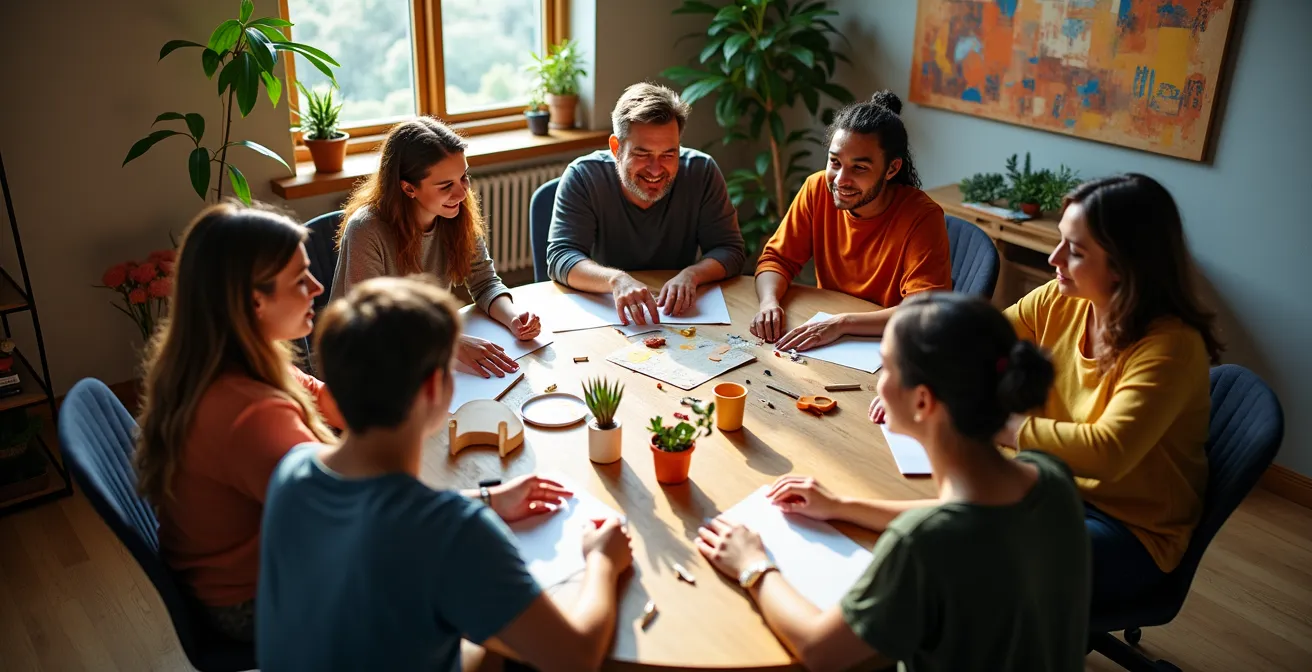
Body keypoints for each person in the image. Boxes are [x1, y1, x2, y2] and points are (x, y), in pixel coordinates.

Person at [257, 276, 634, 672]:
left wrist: (488, 499)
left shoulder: (293, 470)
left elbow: (375, 516)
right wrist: (602, 560)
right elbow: (574, 659)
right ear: (435, 388)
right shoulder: (454, 532)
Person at [699, 292, 1090, 672]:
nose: (879, 380)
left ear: (922, 402)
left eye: (886, 367)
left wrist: (753, 565)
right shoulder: (1050, 478)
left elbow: (821, 651)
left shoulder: (919, 544)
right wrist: (843, 506)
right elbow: (969, 516)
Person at [134, 203, 345, 642]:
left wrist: (399, 399)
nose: (318, 287)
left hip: (244, 566)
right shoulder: (249, 412)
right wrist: (483, 500)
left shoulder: (223, 356)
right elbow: (345, 513)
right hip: (253, 602)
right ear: (254, 301)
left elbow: (325, 399)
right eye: (299, 280)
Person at [333, 116, 539, 379]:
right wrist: (450, 343)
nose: (463, 193)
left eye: (464, 177)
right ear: (408, 188)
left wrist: (513, 317)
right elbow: (371, 325)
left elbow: (485, 283)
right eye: (446, 186)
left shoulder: (455, 212)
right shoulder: (366, 230)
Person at [751, 91, 951, 351]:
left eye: (859, 168)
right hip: (830, 340)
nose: (840, 179)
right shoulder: (816, 189)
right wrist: (769, 303)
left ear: (891, 169)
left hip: (888, 346)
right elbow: (776, 260)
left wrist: (842, 324)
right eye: (835, 162)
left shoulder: (922, 216)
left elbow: (923, 310)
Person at [546, 82, 746, 326]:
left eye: (669, 154)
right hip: (607, 318)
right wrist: (615, 280)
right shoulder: (583, 176)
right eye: (642, 154)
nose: (655, 169)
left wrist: (692, 275)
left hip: (678, 319)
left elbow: (731, 250)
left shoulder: (701, 171)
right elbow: (561, 257)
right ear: (616, 148)